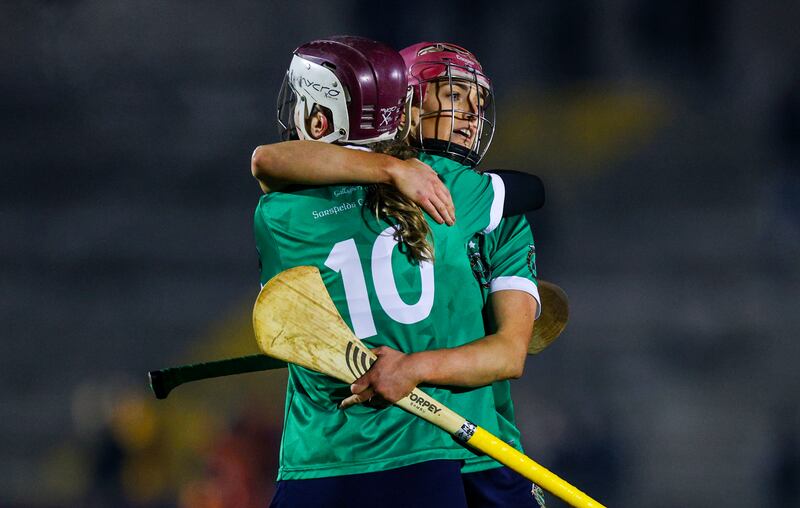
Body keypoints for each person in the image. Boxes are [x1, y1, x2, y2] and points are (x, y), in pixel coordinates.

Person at [253, 42, 545, 507]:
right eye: (452, 97)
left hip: (473, 448)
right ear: (402, 107)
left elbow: (267, 161)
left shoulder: (278, 209)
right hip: (429, 452)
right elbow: (530, 188)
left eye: (479, 103)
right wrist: (394, 169)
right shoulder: (476, 198)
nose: (471, 116)